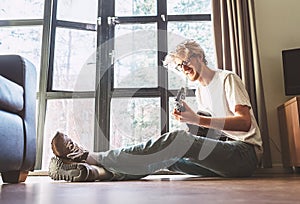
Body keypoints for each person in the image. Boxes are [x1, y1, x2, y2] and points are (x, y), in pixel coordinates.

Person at [48, 39, 263, 182]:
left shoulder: (227, 79)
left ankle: (91, 157)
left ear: (199, 56)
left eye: (186, 63)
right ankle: (94, 173)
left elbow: (244, 123)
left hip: (244, 154)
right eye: (180, 67)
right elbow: (212, 130)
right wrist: (192, 121)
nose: (184, 70)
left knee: (178, 140)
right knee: (166, 157)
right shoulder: (200, 92)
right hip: (222, 156)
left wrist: (197, 119)